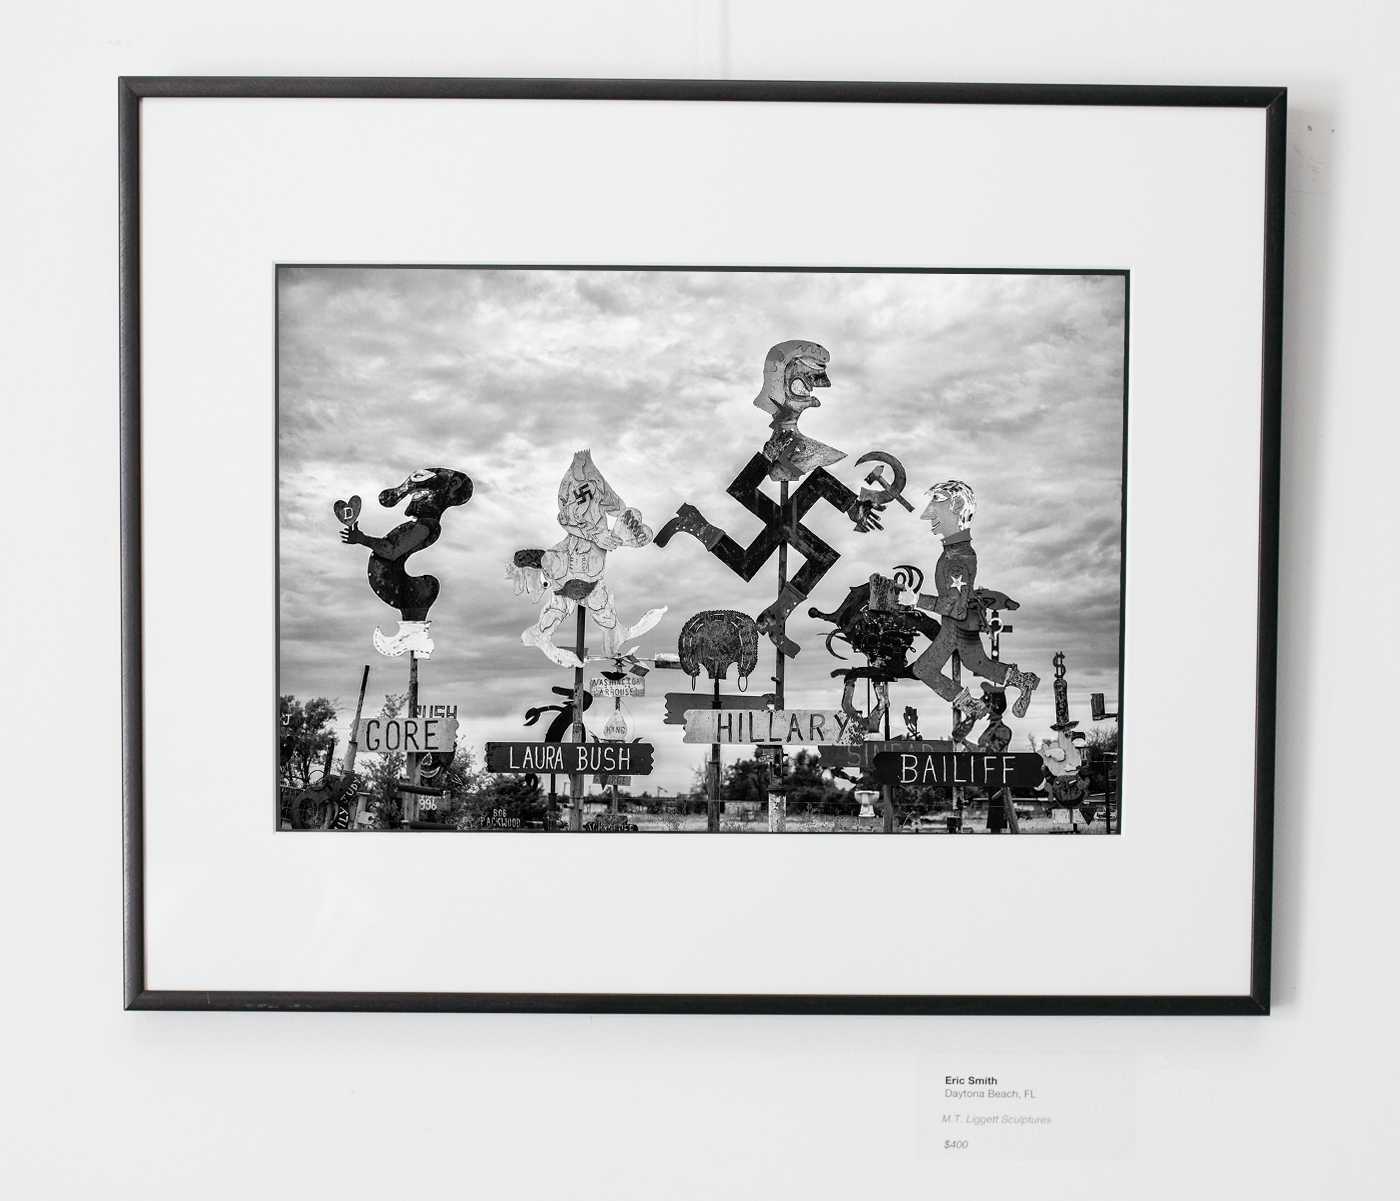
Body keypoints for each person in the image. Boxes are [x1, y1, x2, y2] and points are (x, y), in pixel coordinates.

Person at [906, 480, 1039, 719]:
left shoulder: (955, 557)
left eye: (937, 503)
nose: (927, 514)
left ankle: (972, 707)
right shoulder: (957, 551)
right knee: (978, 664)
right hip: (966, 624)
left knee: (923, 668)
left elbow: (955, 608)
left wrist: (915, 600)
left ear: (957, 506)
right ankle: (1024, 681)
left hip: (955, 627)